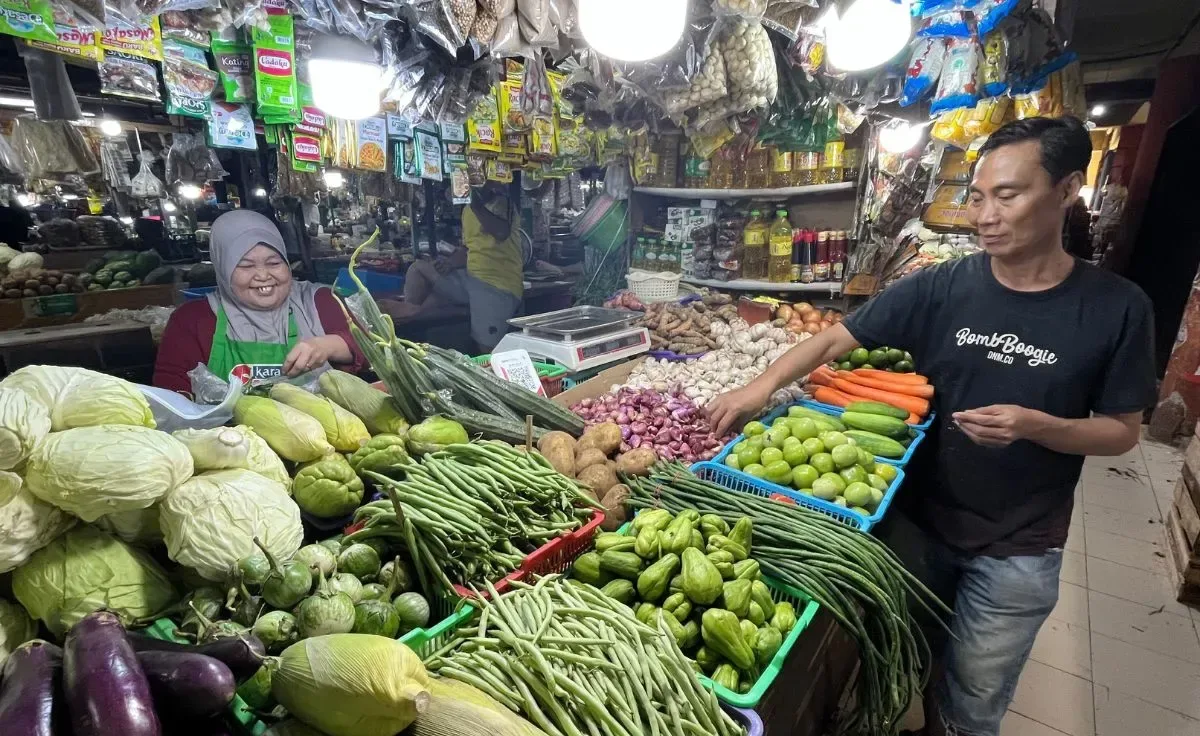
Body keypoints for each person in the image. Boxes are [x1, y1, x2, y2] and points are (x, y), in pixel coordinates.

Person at [707, 117, 1156, 736]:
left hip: (1018, 544)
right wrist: (759, 386)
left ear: (1067, 189)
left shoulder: (1116, 307)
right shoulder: (946, 285)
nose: (985, 215)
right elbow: (837, 336)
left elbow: (1121, 431)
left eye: (1009, 195)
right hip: (917, 521)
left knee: (973, 701)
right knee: (911, 659)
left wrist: (1036, 426)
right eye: (977, 196)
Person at [153, 209, 363, 397]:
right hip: (229, 438)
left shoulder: (320, 301)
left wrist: (327, 345)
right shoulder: (191, 320)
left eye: (274, 263)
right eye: (245, 266)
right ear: (223, 270)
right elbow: (171, 394)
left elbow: (373, 349)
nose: (263, 275)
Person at [398, 182, 525, 351]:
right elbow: (467, 249)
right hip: (468, 278)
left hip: (495, 284)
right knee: (418, 269)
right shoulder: (467, 211)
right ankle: (410, 322)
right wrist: (449, 263)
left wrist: (474, 203)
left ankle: (488, 371)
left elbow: (501, 232)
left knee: (486, 348)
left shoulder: (503, 203)